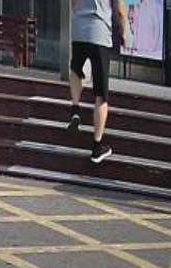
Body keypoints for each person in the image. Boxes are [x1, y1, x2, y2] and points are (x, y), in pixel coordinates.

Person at [68, 0, 129, 164]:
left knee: (76, 70)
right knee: (101, 94)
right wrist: (124, 32)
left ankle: (75, 108)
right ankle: (97, 147)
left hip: (79, 30)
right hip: (100, 33)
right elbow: (120, 9)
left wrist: (78, 15)